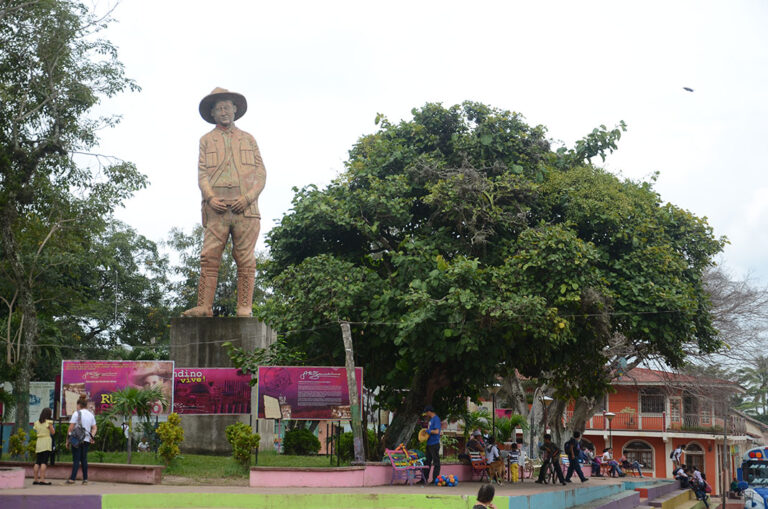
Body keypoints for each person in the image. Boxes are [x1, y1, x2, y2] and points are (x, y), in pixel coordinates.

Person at [183, 87, 267, 318]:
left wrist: (248, 198)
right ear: (212, 113)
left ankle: (244, 307)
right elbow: (202, 175)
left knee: (245, 257)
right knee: (209, 256)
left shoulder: (249, 139)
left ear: (235, 109)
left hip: (246, 209)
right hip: (216, 209)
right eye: (218, 108)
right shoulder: (206, 140)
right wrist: (210, 198)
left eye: (227, 107)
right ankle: (204, 307)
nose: (223, 111)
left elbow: (261, 174)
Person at [66, 395, 97, 485]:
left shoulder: (76, 413)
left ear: (78, 405)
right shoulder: (91, 415)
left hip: (76, 440)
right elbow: (94, 428)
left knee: (76, 459)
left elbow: (70, 428)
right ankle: (85, 479)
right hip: (86, 439)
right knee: (84, 459)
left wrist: (67, 440)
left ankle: (72, 478)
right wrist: (92, 436)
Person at [32, 407, 55, 485]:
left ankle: (35, 479)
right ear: (49, 414)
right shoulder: (49, 422)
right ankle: (42, 479)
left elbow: (36, 430)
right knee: (44, 461)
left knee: (37, 461)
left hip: (39, 442)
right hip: (46, 441)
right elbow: (53, 432)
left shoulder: (36, 422)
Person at [421, 405, 441, 484]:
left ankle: (435, 480)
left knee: (436, 462)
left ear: (429, 411)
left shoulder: (436, 419)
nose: (426, 414)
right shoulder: (431, 420)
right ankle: (424, 479)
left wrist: (428, 431)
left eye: (426, 412)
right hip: (429, 443)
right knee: (427, 462)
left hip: (434, 443)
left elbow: (436, 431)